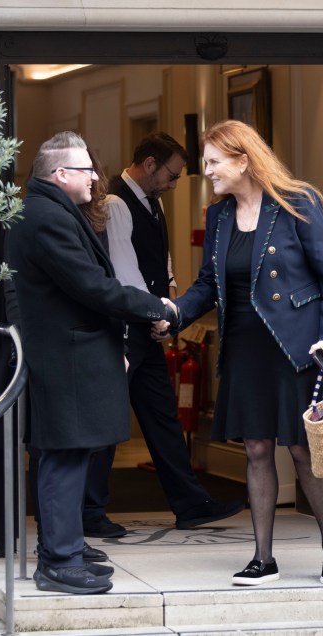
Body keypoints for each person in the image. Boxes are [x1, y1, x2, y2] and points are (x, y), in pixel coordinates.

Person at [171, 120, 323, 586]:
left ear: (243, 160)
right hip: (246, 346)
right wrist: (173, 314)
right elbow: (209, 284)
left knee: (301, 448)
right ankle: (263, 558)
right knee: (256, 448)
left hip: (294, 345)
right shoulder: (219, 216)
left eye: (213, 162)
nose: (206, 171)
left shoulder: (296, 204)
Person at [7, 131, 173, 594]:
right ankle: (59, 562)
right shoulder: (47, 217)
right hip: (67, 355)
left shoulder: (49, 210)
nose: (96, 177)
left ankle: (64, 548)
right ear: (61, 174)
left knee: (70, 456)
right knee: (64, 457)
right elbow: (90, 286)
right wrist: (154, 307)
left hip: (71, 353)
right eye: (86, 170)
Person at [82, 132, 244, 538]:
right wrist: (157, 314)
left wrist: (170, 303)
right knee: (110, 421)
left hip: (148, 326)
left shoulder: (151, 203)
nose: (174, 185)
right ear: (150, 164)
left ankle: (190, 503)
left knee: (162, 418)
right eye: (171, 175)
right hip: (125, 328)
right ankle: (90, 511)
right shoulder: (118, 202)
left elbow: (161, 263)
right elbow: (124, 270)